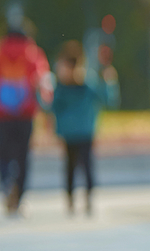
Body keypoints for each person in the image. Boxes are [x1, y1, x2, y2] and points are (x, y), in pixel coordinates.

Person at [44, 41, 120, 216]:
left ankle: (88, 199)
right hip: (70, 133)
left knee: (86, 166)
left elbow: (108, 100)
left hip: (85, 132)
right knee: (70, 166)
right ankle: (71, 199)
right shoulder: (62, 87)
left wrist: (109, 81)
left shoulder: (88, 84)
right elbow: (51, 106)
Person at [0, 16, 50, 217]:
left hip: (2, 115)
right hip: (25, 114)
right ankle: (18, 195)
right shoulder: (33, 53)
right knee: (23, 156)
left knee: (2, 154)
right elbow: (42, 83)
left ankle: (6, 184)